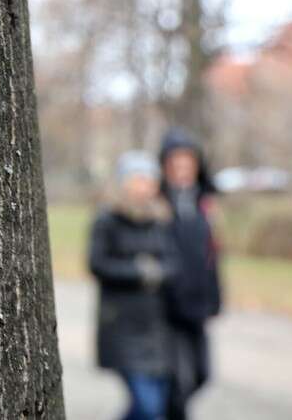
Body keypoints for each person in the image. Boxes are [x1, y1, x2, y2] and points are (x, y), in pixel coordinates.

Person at [89, 151, 177, 420]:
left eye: (150, 180)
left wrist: (156, 271)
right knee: (148, 408)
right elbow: (99, 264)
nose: (145, 185)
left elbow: (173, 262)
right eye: (139, 179)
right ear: (124, 182)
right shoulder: (107, 219)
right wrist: (140, 271)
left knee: (157, 405)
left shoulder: (160, 220)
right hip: (121, 325)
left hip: (156, 326)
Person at [158, 128, 222, 420]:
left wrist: (215, 296)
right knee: (177, 386)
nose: (183, 169)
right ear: (165, 167)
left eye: (188, 162)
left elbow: (212, 255)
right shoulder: (158, 204)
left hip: (197, 306)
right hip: (167, 310)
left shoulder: (203, 204)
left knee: (202, 375)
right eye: (176, 163)